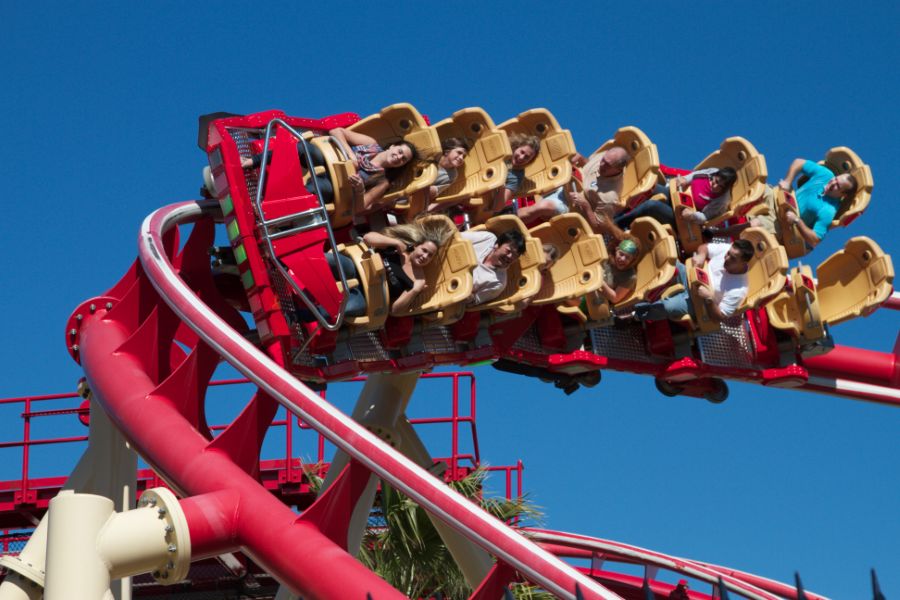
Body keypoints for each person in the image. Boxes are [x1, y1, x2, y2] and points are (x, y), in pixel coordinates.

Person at [327, 219, 455, 317]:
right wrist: (395, 242)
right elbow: (367, 238)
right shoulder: (398, 249)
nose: (425, 256)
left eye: (430, 255)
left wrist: (415, 291)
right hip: (355, 269)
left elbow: (395, 310)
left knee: (346, 308)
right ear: (416, 246)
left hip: (366, 296)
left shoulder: (419, 281)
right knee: (329, 260)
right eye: (424, 250)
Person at [632, 239, 753, 323]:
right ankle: (636, 287)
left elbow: (719, 318)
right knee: (668, 262)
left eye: (733, 258)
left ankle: (635, 315)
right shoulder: (728, 249)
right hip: (691, 276)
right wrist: (702, 255)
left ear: (743, 263)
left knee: (669, 306)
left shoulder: (739, 290)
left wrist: (709, 299)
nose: (726, 258)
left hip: (699, 303)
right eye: (728, 254)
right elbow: (704, 247)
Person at [754, 158, 858, 248]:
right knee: (756, 187)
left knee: (755, 224)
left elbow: (815, 240)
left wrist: (797, 220)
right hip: (778, 198)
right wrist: (788, 181)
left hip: (781, 222)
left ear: (843, 195)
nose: (832, 183)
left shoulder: (828, 210)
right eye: (835, 179)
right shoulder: (826, 175)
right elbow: (799, 162)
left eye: (837, 186)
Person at [327, 127, 420, 215]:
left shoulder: (383, 181)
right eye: (400, 152)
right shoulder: (371, 144)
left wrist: (360, 190)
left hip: (332, 185)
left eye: (403, 159)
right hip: (326, 159)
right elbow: (336, 131)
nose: (399, 157)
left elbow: (359, 208)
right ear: (392, 146)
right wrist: (351, 155)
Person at [614, 167, 738, 230]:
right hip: (677, 196)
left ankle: (618, 224)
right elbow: (696, 174)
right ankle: (619, 208)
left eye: (720, 186)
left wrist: (692, 215)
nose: (715, 186)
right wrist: (685, 179)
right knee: (650, 187)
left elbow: (705, 218)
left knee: (651, 206)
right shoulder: (713, 171)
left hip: (683, 219)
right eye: (715, 181)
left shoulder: (722, 200)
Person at [568, 146, 631, 234]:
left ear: (618, 169)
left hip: (570, 208)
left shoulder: (609, 197)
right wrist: (582, 160)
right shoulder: (604, 156)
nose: (601, 165)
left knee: (544, 206)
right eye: (603, 160)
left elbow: (599, 229)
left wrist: (586, 206)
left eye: (607, 165)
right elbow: (590, 164)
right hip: (567, 181)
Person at [461, 229, 526, 305]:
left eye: (515, 256)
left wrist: (467, 295)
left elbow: (474, 301)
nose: (510, 257)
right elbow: (457, 238)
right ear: (497, 245)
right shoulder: (488, 238)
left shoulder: (498, 282)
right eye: (508, 251)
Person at [600, 238, 640, 304]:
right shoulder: (607, 257)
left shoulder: (630, 277)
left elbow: (615, 298)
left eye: (628, 257)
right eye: (621, 254)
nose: (623, 259)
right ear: (616, 250)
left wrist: (600, 282)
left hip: (600, 299)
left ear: (633, 259)